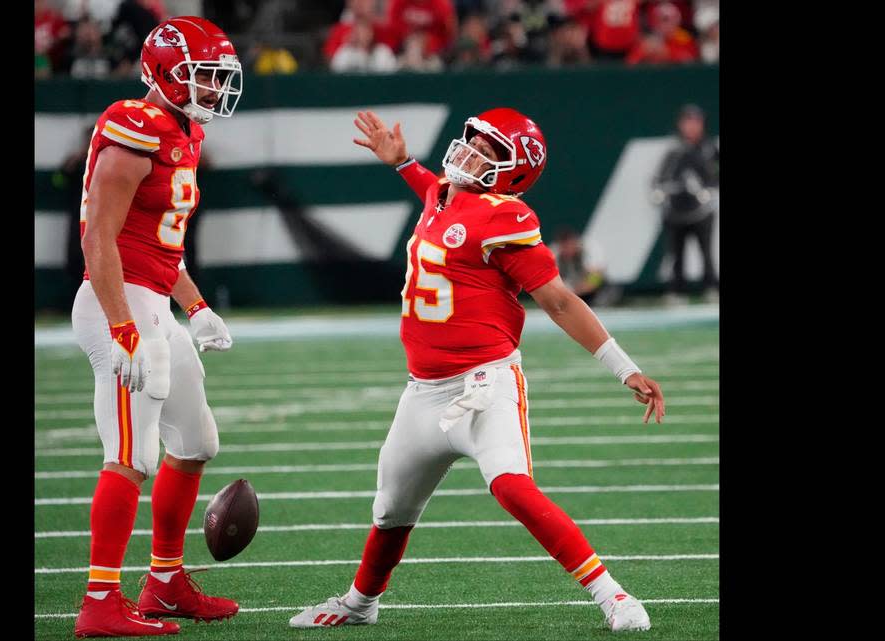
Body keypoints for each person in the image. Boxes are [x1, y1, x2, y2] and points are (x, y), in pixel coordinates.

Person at [288, 109, 666, 632]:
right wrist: (402, 164)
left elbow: (557, 301)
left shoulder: (505, 217)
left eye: (488, 152)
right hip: (422, 391)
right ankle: (360, 603)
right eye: (472, 141)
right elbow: (435, 194)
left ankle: (613, 595)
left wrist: (624, 368)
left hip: (482, 384)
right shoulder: (445, 191)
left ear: (511, 174)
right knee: (391, 510)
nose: (469, 153)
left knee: (512, 486)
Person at [70, 16, 244, 638]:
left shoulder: (182, 131)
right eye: (202, 76)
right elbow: (99, 237)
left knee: (196, 442)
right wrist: (123, 328)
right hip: (117, 304)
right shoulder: (135, 125)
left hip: (153, 300)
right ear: (163, 73)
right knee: (131, 454)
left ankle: (165, 582)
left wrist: (196, 308)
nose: (213, 89)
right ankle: (100, 603)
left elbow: (157, 248)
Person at [651, 103, 719, 303]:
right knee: (675, 253)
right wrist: (662, 192)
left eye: (695, 122)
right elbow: (660, 177)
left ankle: (711, 287)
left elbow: (715, 174)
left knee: (706, 251)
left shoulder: (709, 147)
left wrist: (708, 191)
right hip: (676, 211)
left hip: (702, 211)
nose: (691, 126)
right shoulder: (673, 148)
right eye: (687, 122)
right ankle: (676, 290)